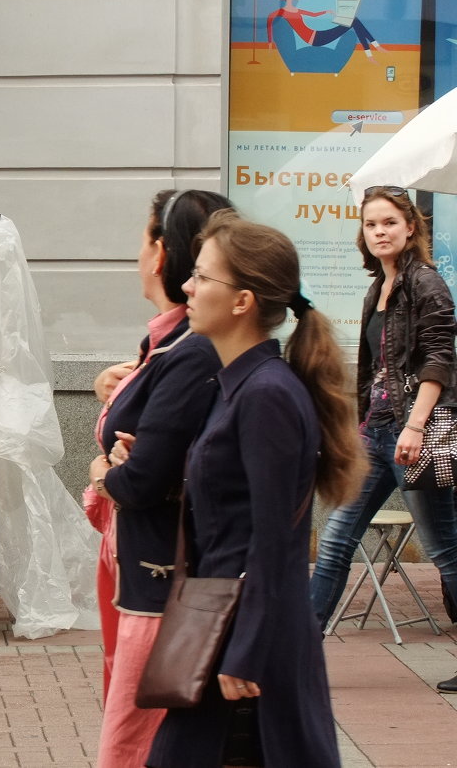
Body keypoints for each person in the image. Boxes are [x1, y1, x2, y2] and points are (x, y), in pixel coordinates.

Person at [144, 211, 367, 767]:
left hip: (247, 639)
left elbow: (276, 540)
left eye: (202, 277)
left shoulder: (265, 393)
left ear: (242, 301)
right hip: (225, 626)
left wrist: (246, 651)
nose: (188, 288)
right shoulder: (237, 385)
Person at [83, 189, 230, 768]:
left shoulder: (191, 350)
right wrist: (111, 392)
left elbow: (143, 474)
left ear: (161, 251)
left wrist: (104, 471)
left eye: (144, 238)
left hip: (159, 577)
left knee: (137, 737)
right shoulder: (167, 341)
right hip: (141, 567)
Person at [309, 187, 457, 691]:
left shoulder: (426, 282)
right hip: (376, 433)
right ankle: (298, 656)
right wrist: (358, 428)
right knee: (333, 542)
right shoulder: (380, 286)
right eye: (371, 225)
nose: (380, 232)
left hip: (416, 432)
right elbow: (377, 369)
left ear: (410, 227)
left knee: (446, 550)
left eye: (389, 223)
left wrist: (414, 426)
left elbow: (439, 359)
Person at [266, 0, 382, 61]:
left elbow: (313, 14)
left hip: (317, 34)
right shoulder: (282, 12)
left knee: (353, 21)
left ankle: (371, 51)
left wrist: (326, 12)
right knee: (353, 21)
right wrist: (270, 44)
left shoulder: (296, 10)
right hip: (316, 39)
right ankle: (373, 49)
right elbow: (270, 20)